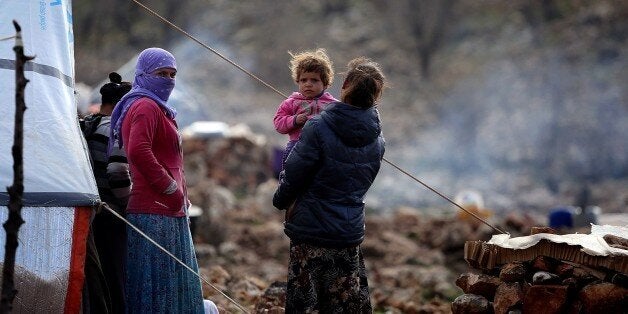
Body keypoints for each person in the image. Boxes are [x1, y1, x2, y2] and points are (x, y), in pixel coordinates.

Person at [273, 57, 387, 313]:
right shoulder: (377, 138)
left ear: (344, 85)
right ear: (376, 95)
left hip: (311, 228)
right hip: (349, 231)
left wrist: (280, 200)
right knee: (343, 302)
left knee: (308, 302)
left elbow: (294, 173)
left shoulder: (317, 126)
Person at [109, 47, 205, 313]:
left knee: (171, 286)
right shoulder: (145, 106)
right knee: (159, 288)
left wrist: (180, 194)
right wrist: (170, 187)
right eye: (161, 73)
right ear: (143, 74)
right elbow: (138, 151)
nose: (168, 80)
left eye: (172, 74)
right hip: (154, 209)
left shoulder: (160, 109)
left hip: (168, 208)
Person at [82, 72, 132, 314]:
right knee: (116, 275)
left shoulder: (85, 125)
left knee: (95, 275)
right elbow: (118, 171)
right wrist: (129, 205)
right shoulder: (116, 128)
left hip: (88, 212)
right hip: (112, 213)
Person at [273, 48, 338, 177]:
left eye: (314, 80)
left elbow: (343, 125)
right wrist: (294, 120)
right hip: (296, 147)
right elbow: (278, 123)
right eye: (304, 80)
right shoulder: (291, 102)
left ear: (325, 84)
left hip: (324, 150)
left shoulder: (333, 105)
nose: (308, 84)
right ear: (298, 81)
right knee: (291, 179)